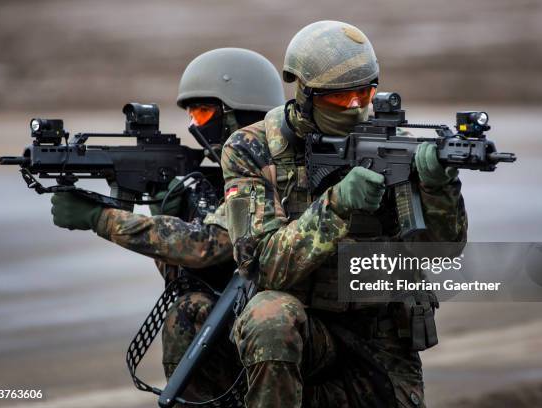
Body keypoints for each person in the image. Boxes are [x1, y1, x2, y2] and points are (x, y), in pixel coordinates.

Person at [222, 21, 468, 407]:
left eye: (365, 93)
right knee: (268, 315)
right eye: (340, 99)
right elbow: (264, 266)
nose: (356, 107)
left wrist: (439, 188)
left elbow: (441, 253)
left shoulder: (397, 145)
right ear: (305, 94)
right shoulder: (253, 148)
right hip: (305, 328)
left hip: (380, 335)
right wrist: (337, 205)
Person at [49, 47, 285, 402]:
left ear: (241, 113)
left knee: (188, 313)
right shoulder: (217, 174)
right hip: (254, 315)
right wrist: (171, 213)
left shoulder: (276, 166)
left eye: (204, 111)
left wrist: (99, 217)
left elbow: (210, 244)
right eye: (191, 114)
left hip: (284, 322)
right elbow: (192, 274)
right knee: (190, 306)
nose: (195, 124)